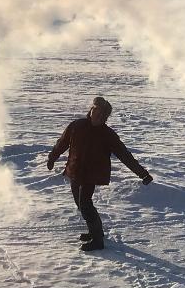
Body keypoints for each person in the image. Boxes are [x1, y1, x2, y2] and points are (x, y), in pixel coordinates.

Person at [47, 96, 153, 252]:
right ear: (91, 110)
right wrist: (52, 157)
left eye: (100, 114)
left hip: (91, 174)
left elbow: (124, 155)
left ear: (104, 118)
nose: (95, 115)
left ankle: (98, 241)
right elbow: (62, 143)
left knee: (85, 204)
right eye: (94, 110)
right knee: (81, 204)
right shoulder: (77, 126)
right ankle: (95, 231)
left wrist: (142, 174)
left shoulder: (107, 134)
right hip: (75, 170)